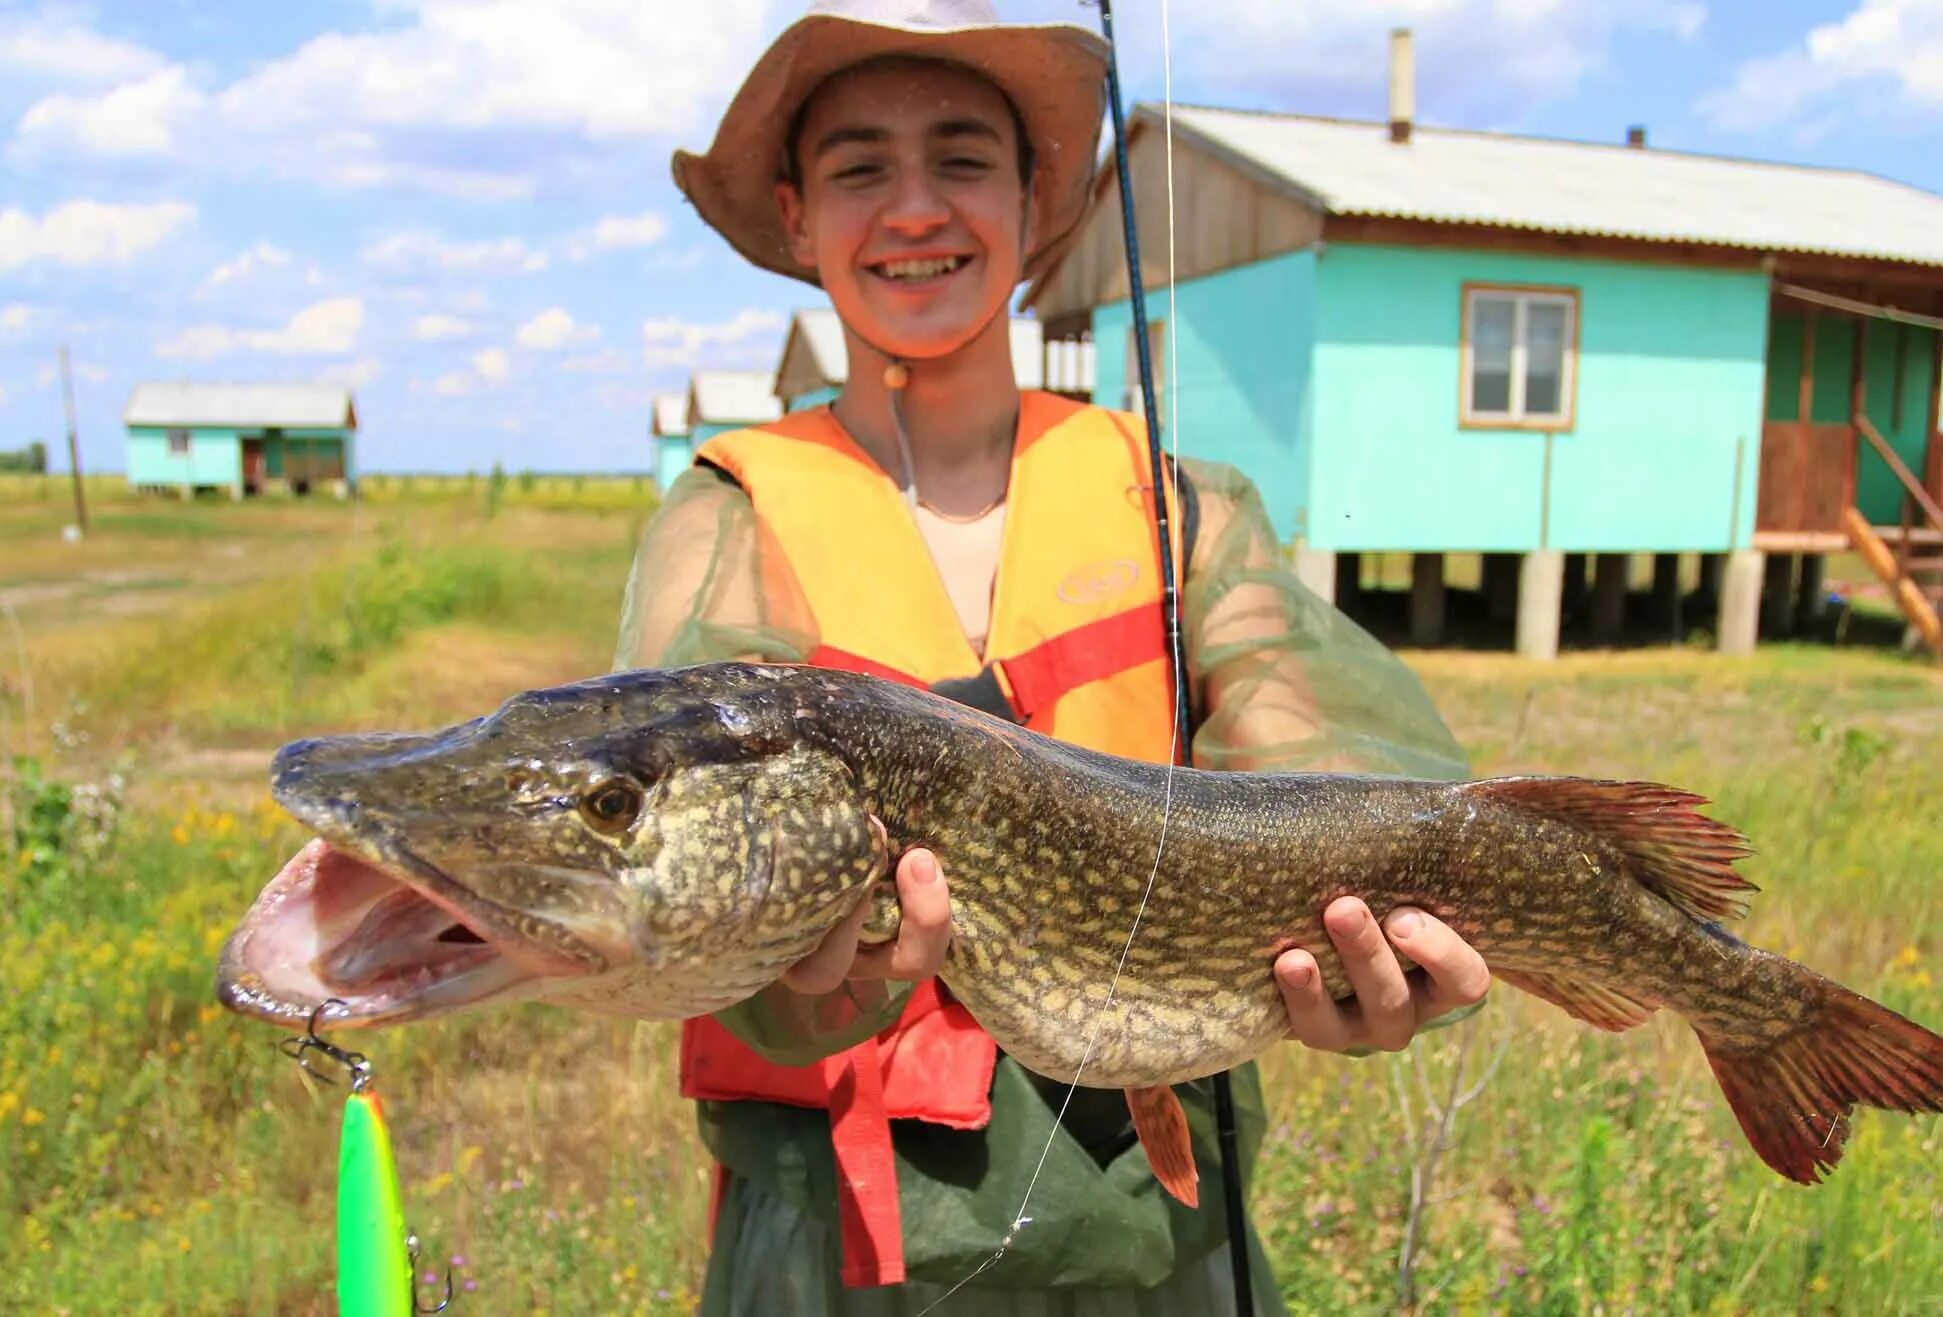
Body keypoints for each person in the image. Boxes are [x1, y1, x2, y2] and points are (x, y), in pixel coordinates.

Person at [615, 3, 1492, 1311]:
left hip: (1155, 1232)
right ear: (797, 218)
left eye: (962, 158)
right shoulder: (729, 518)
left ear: (1036, 202)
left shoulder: (1181, 505)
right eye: (861, 167)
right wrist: (807, 991)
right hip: (842, 1242)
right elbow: (677, 894)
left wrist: (1399, 952)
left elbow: (1337, 764)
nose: (915, 208)